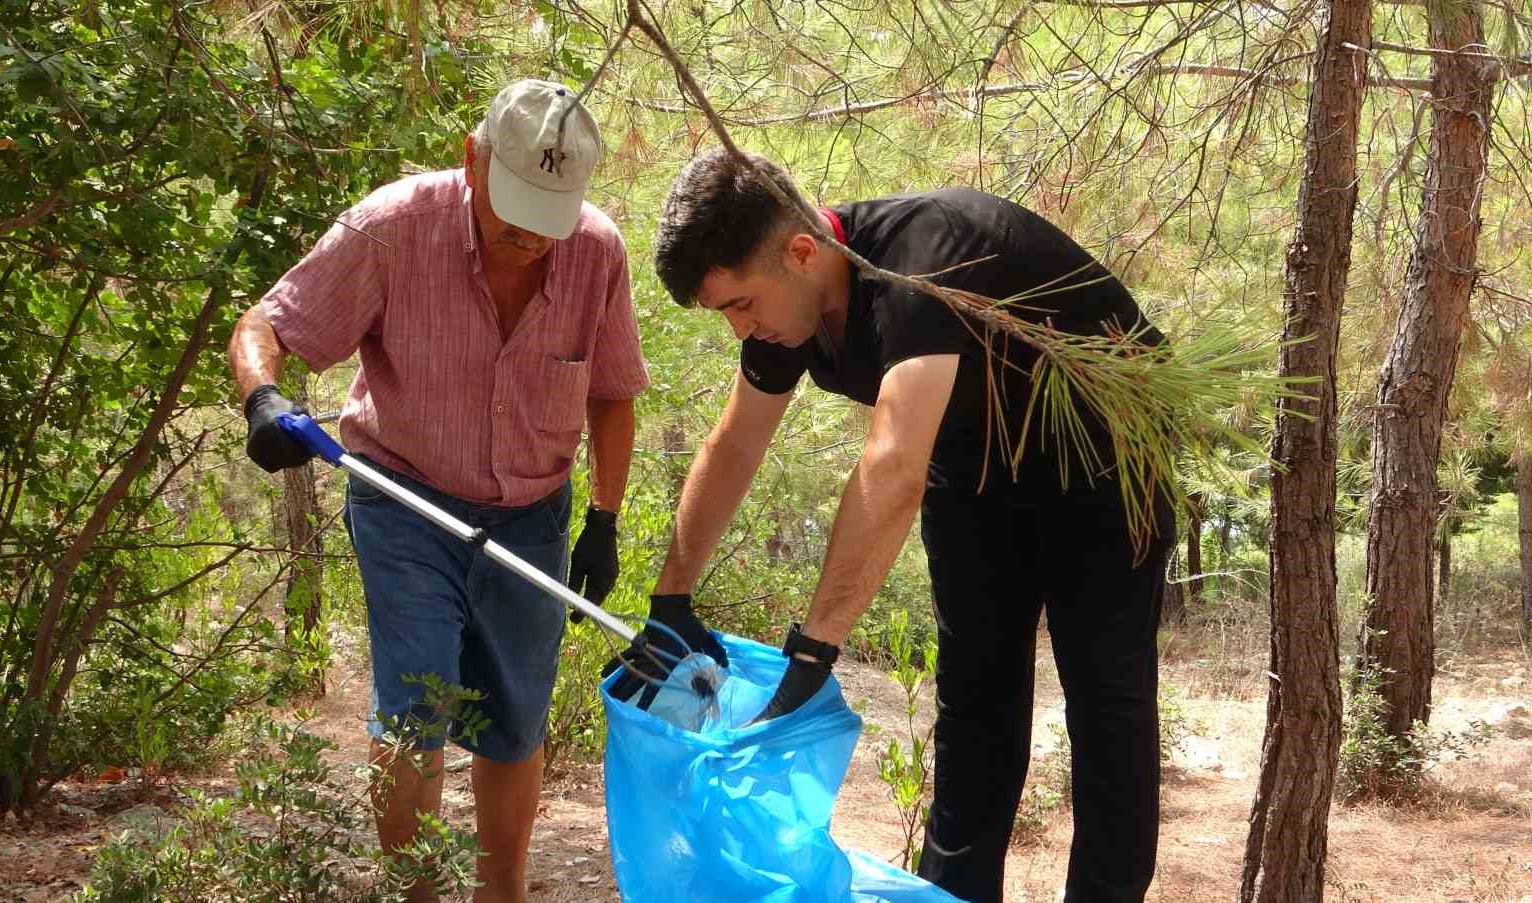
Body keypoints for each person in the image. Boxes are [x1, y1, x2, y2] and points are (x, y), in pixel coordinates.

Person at [614, 149, 1174, 903]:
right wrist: (670, 598)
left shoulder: (922, 261)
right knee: (975, 705)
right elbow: (736, 442)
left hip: (1107, 460)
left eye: (740, 305)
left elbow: (891, 466)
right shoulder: (791, 309)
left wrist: (814, 647)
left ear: (802, 252)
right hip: (978, 465)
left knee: (1106, 707)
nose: (741, 327)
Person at [227, 79, 647, 903]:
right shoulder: (390, 230)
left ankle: (504, 893)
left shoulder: (596, 249)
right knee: (417, 703)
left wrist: (604, 519)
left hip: (533, 512)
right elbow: (265, 325)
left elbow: (612, 392)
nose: (530, 236)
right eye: (514, 210)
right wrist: (264, 398)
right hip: (403, 498)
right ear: (473, 157)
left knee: (517, 717)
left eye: (548, 215)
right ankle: (414, 894)